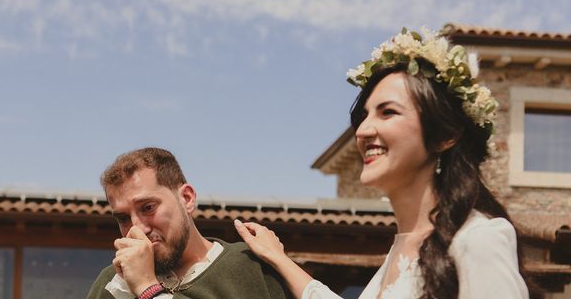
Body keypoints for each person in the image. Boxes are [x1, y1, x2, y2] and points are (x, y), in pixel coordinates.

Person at [235, 28, 529, 299]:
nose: (362, 131)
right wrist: (279, 258)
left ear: (446, 135)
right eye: (365, 116)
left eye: (387, 112)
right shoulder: (401, 246)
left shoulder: (479, 239)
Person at [87, 147, 290, 299]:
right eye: (123, 218)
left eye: (148, 207)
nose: (137, 228)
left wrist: (147, 288)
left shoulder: (253, 267)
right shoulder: (113, 284)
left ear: (187, 198)